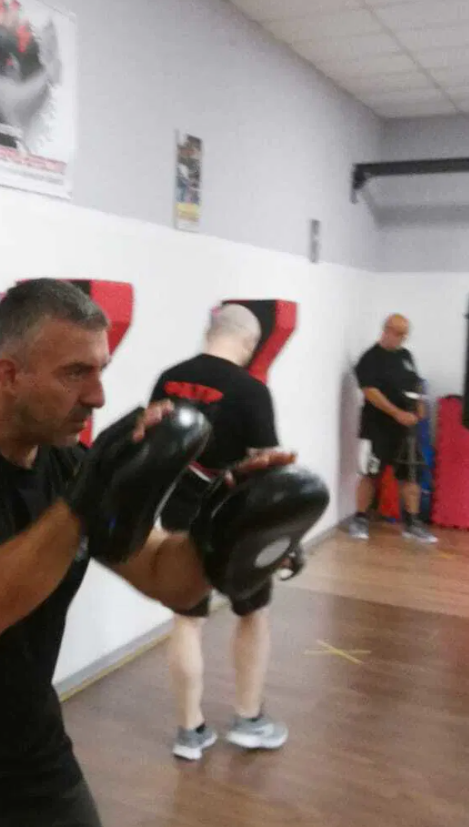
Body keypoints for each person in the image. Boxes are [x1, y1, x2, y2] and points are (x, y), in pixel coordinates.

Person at [0, 279, 296, 827]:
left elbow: (167, 577)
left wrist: (225, 527)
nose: (97, 396)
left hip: (29, 745)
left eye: (100, 371)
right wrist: (87, 496)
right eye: (75, 373)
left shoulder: (67, 466)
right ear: (9, 374)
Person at [152, 304, 288, 760]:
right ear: (248, 342)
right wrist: (282, 532)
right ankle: (248, 721)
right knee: (253, 613)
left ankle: (189, 732)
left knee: (187, 618)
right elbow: (266, 466)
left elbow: (154, 447)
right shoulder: (251, 390)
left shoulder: (168, 379)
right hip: (234, 517)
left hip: (179, 512)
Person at [348, 314, 437, 543]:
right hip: (377, 428)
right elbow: (370, 392)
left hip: (406, 430)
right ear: (385, 330)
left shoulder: (406, 356)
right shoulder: (370, 359)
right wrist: (396, 413)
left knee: (410, 475)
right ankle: (359, 519)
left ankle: (412, 523)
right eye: (397, 333)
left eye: (404, 335)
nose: (400, 338)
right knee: (371, 474)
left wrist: (420, 404)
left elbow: (415, 382)